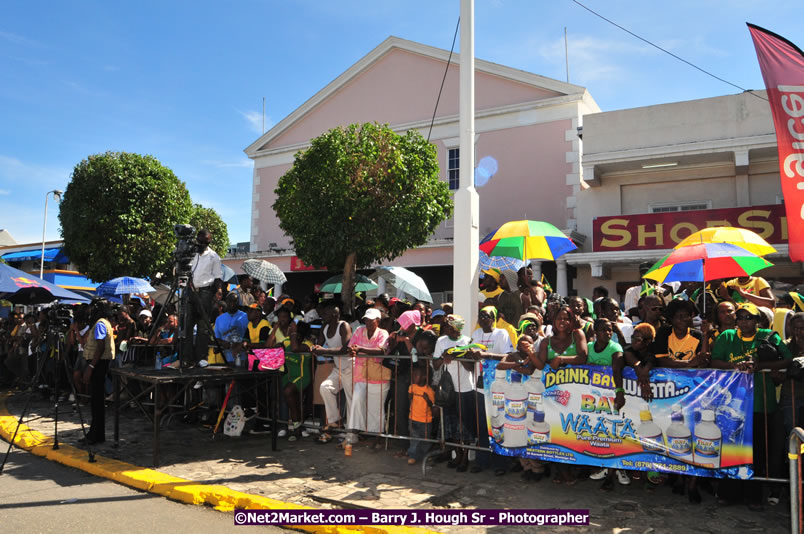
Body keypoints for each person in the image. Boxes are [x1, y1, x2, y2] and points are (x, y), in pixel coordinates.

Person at [711, 302, 792, 510]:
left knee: (758, 451)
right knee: (731, 449)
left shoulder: (769, 336)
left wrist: (761, 366)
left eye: (749, 318)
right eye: (740, 317)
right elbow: (715, 361)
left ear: (757, 320)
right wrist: (734, 366)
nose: (744, 321)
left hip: (761, 403)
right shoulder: (727, 336)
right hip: (732, 407)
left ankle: (754, 496)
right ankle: (728, 493)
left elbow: (787, 360)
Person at [537, 305, 587, 484]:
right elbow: (541, 365)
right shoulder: (546, 342)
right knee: (555, 431)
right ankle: (563, 471)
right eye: (559, 318)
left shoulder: (577, 335)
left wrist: (560, 359)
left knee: (572, 432)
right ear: (553, 321)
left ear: (572, 320)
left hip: (576, 394)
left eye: (566, 318)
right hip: (552, 396)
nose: (562, 322)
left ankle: (567, 470)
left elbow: (583, 357)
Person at [432, 314, 473, 471]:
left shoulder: (467, 341)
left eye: (449, 325)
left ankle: (465, 457)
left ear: (457, 326)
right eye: (445, 325)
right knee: (451, 424)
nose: (446, 328)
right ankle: (458, 454)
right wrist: (443, 357)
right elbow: (435, 365)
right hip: (449, 389)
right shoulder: (441, 341)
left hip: (466, 387)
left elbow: (470, 367)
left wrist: (456, 355)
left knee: (465, 425)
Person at [345, 308, 390, 449]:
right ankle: (354, 433)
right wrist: (355, 350)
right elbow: (351, 347)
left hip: (378, 375)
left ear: (378, 321)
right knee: (357, 399)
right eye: (366, 320)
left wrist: (361, 349)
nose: (368, 323)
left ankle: (377, 437)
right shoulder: (359, 330)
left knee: (377, 407)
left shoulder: (383, 333)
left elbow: (381, 351)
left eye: (371, 320)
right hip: (361, 373)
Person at [313, 304, 353, 443]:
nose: (323, 315)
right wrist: (314, 348)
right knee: (325, 388)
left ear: (335, 315)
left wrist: (323, 351)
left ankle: (351, 435)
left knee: (351, 401)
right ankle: (335, 420)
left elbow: (345, 349)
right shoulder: (324, 327)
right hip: (338, 368)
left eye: (326, 313)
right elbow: (320, 344)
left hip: (350, 368)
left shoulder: (344, 326)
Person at [80, 299, 116, 445]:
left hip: (98, 364)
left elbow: (100, 347)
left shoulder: (100, 324)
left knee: (97, 401)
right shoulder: (103, 323)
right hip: (99, 363)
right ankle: (96, 433)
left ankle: (96, 434)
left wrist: (91, 367)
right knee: (97, 401)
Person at [187, 229, 223, 365]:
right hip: (190, 291)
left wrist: (219, 289)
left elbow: (218, 276)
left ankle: (201, 358)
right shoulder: (191, 254)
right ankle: (187, 358)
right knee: (187, 325)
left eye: (206, 242)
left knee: (203, 327)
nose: (202, 244)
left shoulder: (214, 256)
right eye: (200, 241)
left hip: (205, 292)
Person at [406, 363, 435, 465]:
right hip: (413, 418)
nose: (413, 377)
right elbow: (409, 396)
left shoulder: (429, 391)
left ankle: (424, 455)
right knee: (414, 437)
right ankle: (413, 455)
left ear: (424, 377)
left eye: (416, 375)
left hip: (426, 420)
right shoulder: (412, 387)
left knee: (425, 439)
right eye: (413, 375)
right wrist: (410, 396)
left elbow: (432, 404)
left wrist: (427, 400)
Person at [213, 292, 249, 365]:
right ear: (226, 302)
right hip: (225, 359)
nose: (232, 303)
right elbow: (217, 338)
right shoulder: (219, 319)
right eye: (230, 301)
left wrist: (241, 344)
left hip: (243, 359)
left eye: (235, 301)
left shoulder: (246, 317)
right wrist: (223, 343)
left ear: (238, 302)